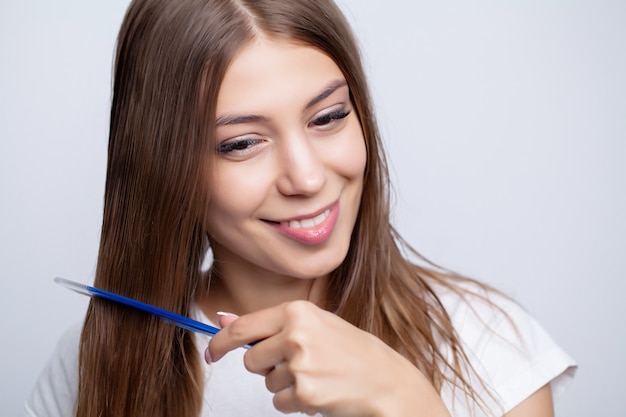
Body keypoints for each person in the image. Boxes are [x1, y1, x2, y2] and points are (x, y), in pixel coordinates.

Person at [22, 1, 576, 416]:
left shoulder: (487, 342)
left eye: (329, 117)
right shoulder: (89, 363)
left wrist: (408, 402)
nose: (308, 178)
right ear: (164, 168)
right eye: (241, 143)